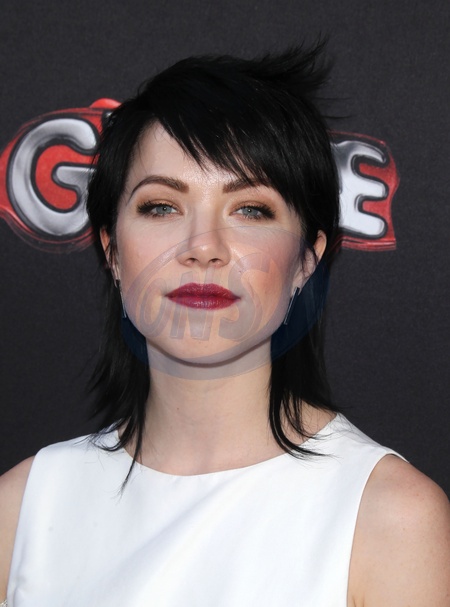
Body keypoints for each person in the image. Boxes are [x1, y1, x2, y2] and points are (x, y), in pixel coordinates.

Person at [1, 44, 449, 606]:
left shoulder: (390, 518)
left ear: (307, 260)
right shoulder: (23, 508)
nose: (203, 247)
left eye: (251, 210)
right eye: (162, 206)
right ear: (112, 250)